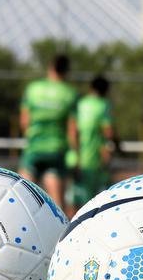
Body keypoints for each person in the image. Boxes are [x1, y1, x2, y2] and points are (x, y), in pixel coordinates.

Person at [19, 54, 78, 212]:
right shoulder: (70, 93)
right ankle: (61, 234)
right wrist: (75, 154)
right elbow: (72, 129)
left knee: (22, 198)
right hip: (56, 151)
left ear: (50, 67)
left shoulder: (33, 89)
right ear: (67, 71)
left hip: (34, 149)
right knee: (57, 205)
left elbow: (24, 121)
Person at [72, 75, 118, 208]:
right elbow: (108, 132)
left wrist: (74, 155)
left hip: (77, 158)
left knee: (76, 201)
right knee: (99, 201)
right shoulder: (103, 105)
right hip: (95, 160)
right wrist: (116, 145)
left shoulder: (80, 104)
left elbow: (73, 130)